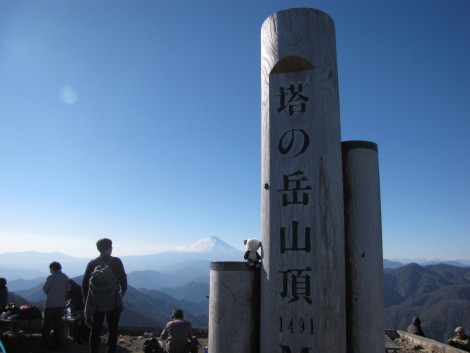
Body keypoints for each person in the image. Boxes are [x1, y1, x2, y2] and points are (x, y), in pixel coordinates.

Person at [82, 238, 127, 353]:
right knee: (113, 330)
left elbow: (85, 283)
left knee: (95, 330)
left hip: (96, 302)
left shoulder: (92, 263)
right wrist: (121, 294)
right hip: (113, 300)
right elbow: (123, 280)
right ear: (109, 248)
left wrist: (86, 301)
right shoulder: (116, 261)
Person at [41, 261, 69, 351]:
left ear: (52, 268)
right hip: (60, 305)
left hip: (50, 305)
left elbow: (45, 289)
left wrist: (51, 293)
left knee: (46, 326)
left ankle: (45, 344)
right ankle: (56, 344)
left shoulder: (51, 277)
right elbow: (67, 290)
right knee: (57, 326)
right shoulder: (65, 277)